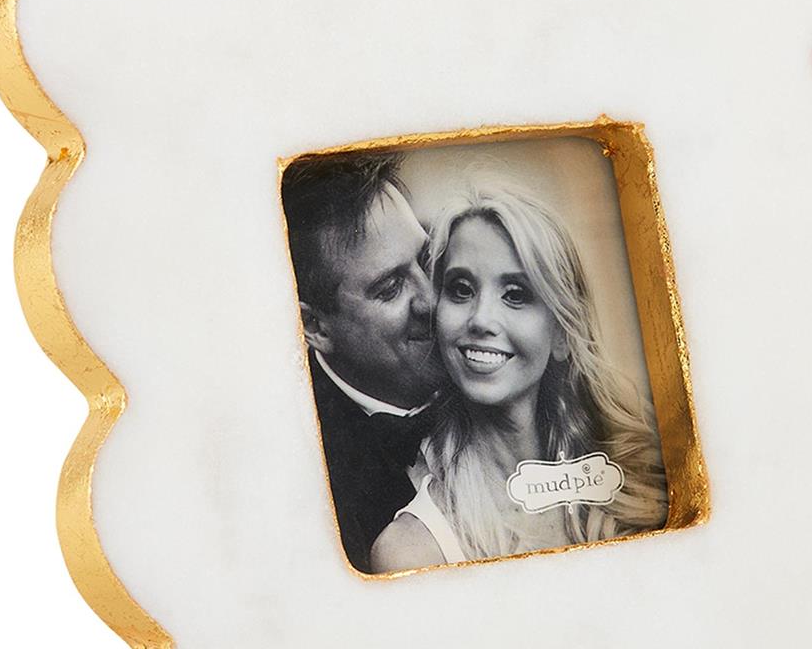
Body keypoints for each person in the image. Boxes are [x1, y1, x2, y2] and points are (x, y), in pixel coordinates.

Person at [368, 185, 668, 573]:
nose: (481, 319)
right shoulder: (412, 551)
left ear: (561, 333)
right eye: (461, 290)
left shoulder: (645, 479)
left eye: (515, 294)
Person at [280, 150, 443, 571]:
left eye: (426, 259)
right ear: (315, 327)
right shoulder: (299, 476)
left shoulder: (512, 374)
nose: (431, 301)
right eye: (390, 288)